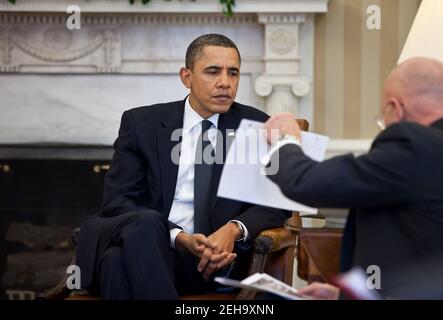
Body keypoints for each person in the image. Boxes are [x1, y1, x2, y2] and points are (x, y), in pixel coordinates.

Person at [75, 34, 288, 299]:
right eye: (213, 72)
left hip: (214, 262)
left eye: (233, 73)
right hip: (156, 245)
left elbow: (276, 204)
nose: (225, 83)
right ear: (186, 77)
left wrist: (232, 229)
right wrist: (177, 237)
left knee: (115, 263)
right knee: (145, 226)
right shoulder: (142, 124)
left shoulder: (256, 126)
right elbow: (118, 201)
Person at [263, 57, 443, 299]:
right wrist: (343, 295)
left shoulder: (414, 144)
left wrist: (285, 141)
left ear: (396, 108)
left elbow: (307, 182)